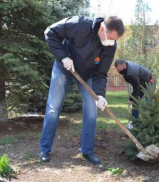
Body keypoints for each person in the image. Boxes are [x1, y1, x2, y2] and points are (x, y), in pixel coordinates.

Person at [39, 16, 124, 165]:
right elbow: (50, 32)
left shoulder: (111, 45)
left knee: (92, 111)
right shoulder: (80, 24)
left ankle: (87, 151)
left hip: (88, 74)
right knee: (53, 108)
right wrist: (63, 57)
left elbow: (101, 72)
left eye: (114, 41)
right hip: (64, 67)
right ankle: (45, 149)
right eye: (111, 38)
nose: (111, 43)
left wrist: (100, 95)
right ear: (102, 29)